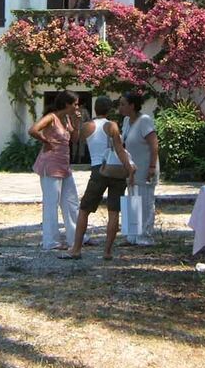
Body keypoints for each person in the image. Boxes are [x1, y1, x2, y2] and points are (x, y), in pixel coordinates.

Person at [61, 96, 136, 260]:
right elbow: (119, 150)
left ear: (95, 109)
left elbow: (77, 139)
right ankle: (107, 251)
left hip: (98, 170)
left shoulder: (88, 126)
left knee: (84, 210)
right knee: (114, 212)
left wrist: (76, 120)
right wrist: (130, 169)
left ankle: (76, 249)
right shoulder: (112, 126)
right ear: (110, 110)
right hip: (116, 171)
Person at [29, 91, 82, 251]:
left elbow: (75, 139)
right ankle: (51, 241)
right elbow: (33, 130)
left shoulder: (66, 119)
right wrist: (46, 141)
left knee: (71, 201)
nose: (77, 107)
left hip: (64, 166)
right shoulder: (51, 117)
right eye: (75, 104)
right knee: (51, 203)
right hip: (50, 165)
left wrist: (77, 123)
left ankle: (76, 237)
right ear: (66, 104)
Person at [118, 91, 159, 246]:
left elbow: (154, 144)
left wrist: (152, 166)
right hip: (132, 169)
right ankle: (132, 235)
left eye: (123, 104)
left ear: (132, 105)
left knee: (145, 201)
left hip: (145, 167)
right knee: (132, 200)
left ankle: (146, 236)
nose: (120, 107)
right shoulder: (127, 121)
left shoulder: (145, 120)